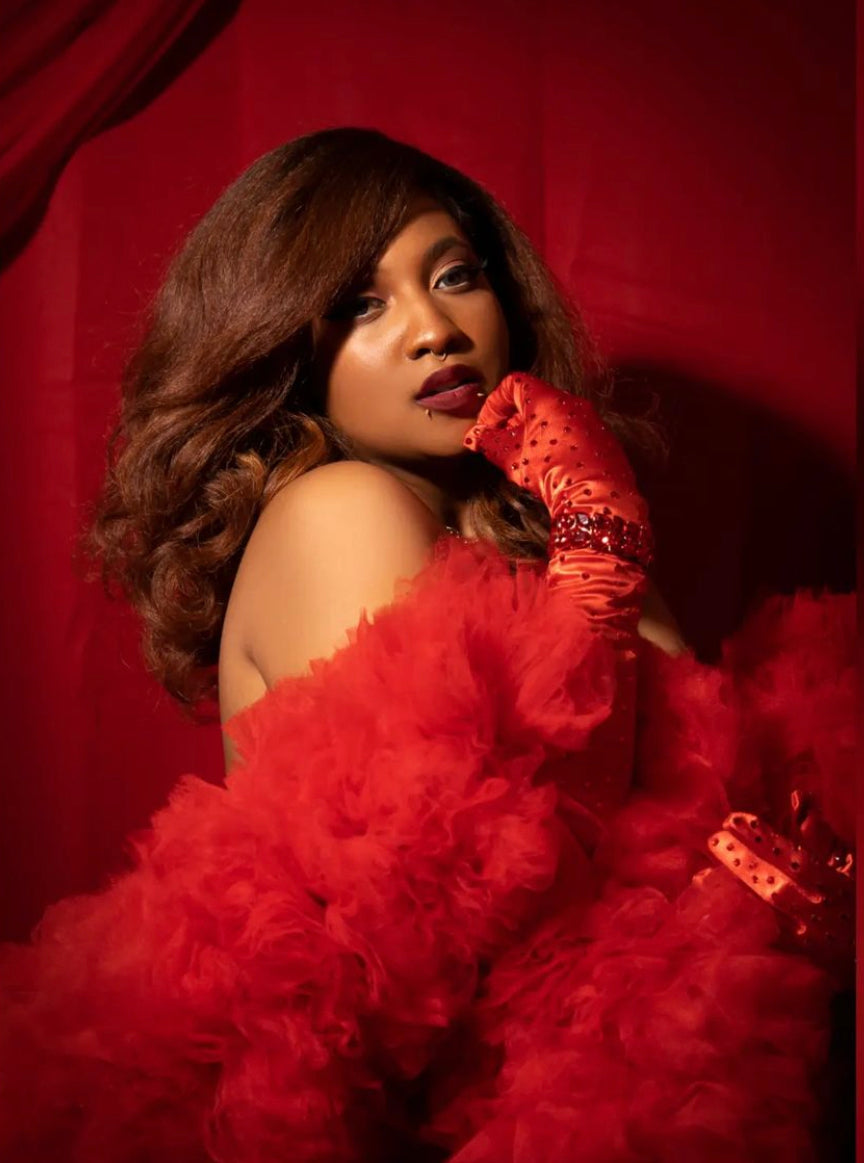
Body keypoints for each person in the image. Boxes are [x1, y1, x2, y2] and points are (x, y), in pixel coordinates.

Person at [0, 128, 853, 1163]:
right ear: (281, 347)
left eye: (456, 276)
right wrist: (597, 539)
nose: (435, 330)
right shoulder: (340, 508)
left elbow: (708, 789)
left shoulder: (537, 529)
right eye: (363, 305)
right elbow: (471, 890)